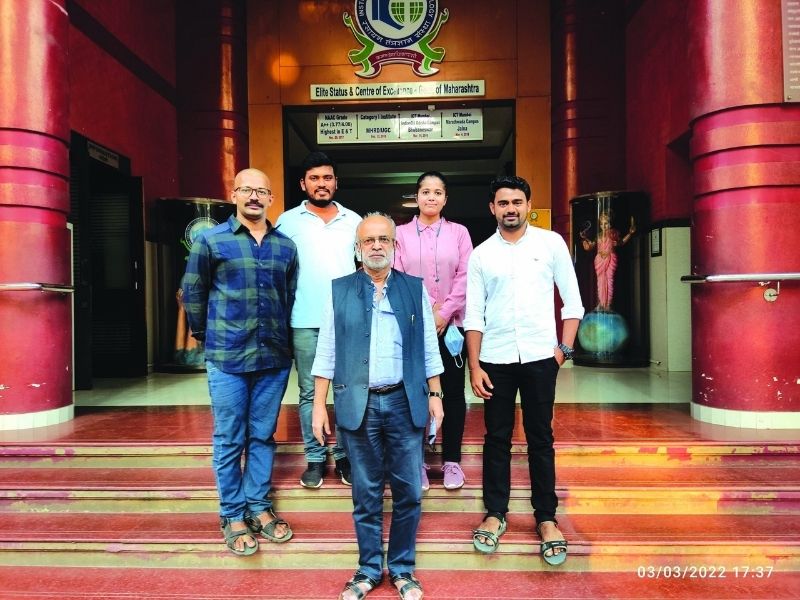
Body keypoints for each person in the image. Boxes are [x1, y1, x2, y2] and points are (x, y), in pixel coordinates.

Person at [311, 213, 444, 600]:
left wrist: (435, 395)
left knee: (408, 492)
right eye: (368, 240)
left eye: (384, 239)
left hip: (405, 402)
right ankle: (369, 569)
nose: (376, 246)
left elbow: (428, 348)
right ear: (357, 248)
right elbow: (326, 352)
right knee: (366, 494)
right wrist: (319, 406)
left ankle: (402, 569)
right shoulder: (339, 290)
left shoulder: (413, 289)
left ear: (394, 246)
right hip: (360, 404)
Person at [463, 175, 584, 566]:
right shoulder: (482, 254)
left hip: (539, 358)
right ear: (492, 208)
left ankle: (546, 518)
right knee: (496, 438)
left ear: (528, 204)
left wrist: (562, 350)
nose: (510, 209)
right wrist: (475, 365)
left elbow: (573, 301)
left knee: (540, 438)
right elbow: (473, 314)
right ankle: (495, 514)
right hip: (496, 358)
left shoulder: (551, 244)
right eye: (503, 203)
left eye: (517, 202)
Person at [181, 168, 297, 556]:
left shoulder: (285, 246)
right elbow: (193, 294)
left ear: (270, 199)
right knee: (230, 438)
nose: (254, 197)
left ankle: (259, 507)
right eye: (246, 189)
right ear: (234, 194)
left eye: (261, 191)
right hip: (228, 356)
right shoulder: (210, 241)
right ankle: (232, 514)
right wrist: (207, 337)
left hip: (274, 357)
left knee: (262, 435)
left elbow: (290, 297)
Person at [276, 151, 361, 489]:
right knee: (310, 391)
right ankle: (314, 458)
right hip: (304, 320)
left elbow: (365, 269)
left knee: (345, 391)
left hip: (345, 321)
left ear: (335, 182)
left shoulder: (354, 221)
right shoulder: (287, 221)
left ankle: (343, 456)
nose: (321, 184)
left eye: (327, 178)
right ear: (303, 183)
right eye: (315, 178)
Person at [394, 171, 473, 491]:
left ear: (445, 198)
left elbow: (467, 275)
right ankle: (419, 462)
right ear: (417, 196)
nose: (431, 197)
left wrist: (444, 312)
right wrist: (428, 312)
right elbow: (397, 271)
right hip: (413, 324)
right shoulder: (399, 233)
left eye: (437, 192)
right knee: (413, 393)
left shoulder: (460, 233)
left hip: (451, 327)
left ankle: (451, 460)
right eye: (425, 191)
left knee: (452, 395)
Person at [579, 210, 636, 311]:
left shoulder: (613, 233)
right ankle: (601, 303)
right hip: (599, 260)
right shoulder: (599, 235)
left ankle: (608, 304)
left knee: (609, 280)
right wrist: (585, 239)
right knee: (600, 281)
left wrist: (630, 234)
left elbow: (621, 242)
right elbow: (592, 245)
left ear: (610, 223)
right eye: (601, 224)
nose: (603, 226)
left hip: (610, 258)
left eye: (606, 223)